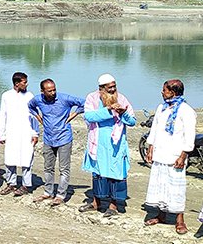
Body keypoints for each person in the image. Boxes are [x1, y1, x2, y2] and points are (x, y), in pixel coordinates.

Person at [79, 73, 135, 217]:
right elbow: (89, 116)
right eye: (109, 87)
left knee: (116, 174)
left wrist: (123, 113)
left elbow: (132, 121)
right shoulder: (92, 98)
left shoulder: (122, 99)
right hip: (98, 143)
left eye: (114, 86)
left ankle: (113, 206)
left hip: (116, 145)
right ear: (101, 88)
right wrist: (108, 110)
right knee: (98, 173)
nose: (112, 89)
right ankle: (96, 202)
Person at [144, 79, 195, 235]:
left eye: (164, 90)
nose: (162, 92)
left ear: (173, 92)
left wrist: (184, 154)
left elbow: (189, 135)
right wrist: (150, 148)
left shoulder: (186, 110)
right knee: (160, 185)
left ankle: (180, 220)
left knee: (176, 187)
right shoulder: (162, 108)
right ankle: (161, 215)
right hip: (160, 153)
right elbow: (155, 129)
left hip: (175, 155)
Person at [28, 79, 85, 205]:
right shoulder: (38, 100)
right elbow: (30, 106)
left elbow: (85, 103)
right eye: (49, 91)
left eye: (54, 89)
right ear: (42, 91)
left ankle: (60, 194)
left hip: (64, 137)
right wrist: (38, 117)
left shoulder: (64, 98)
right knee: (48, 167)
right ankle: (48, 192)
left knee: (64, 169)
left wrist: (74, 114)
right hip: (48, 138)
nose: (53, 92)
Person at [0, 72, 39, 196]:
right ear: (17, 83)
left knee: (26, 158)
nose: (26, 84)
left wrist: (35, 133)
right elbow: (3, 115)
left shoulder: (30, 96)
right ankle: (11, 183)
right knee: (10, 158)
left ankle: (26, 185)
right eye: (24, 82)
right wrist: (2, 134)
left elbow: (34, 116)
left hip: (26, 132)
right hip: (11, 132)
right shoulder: (6, 96)